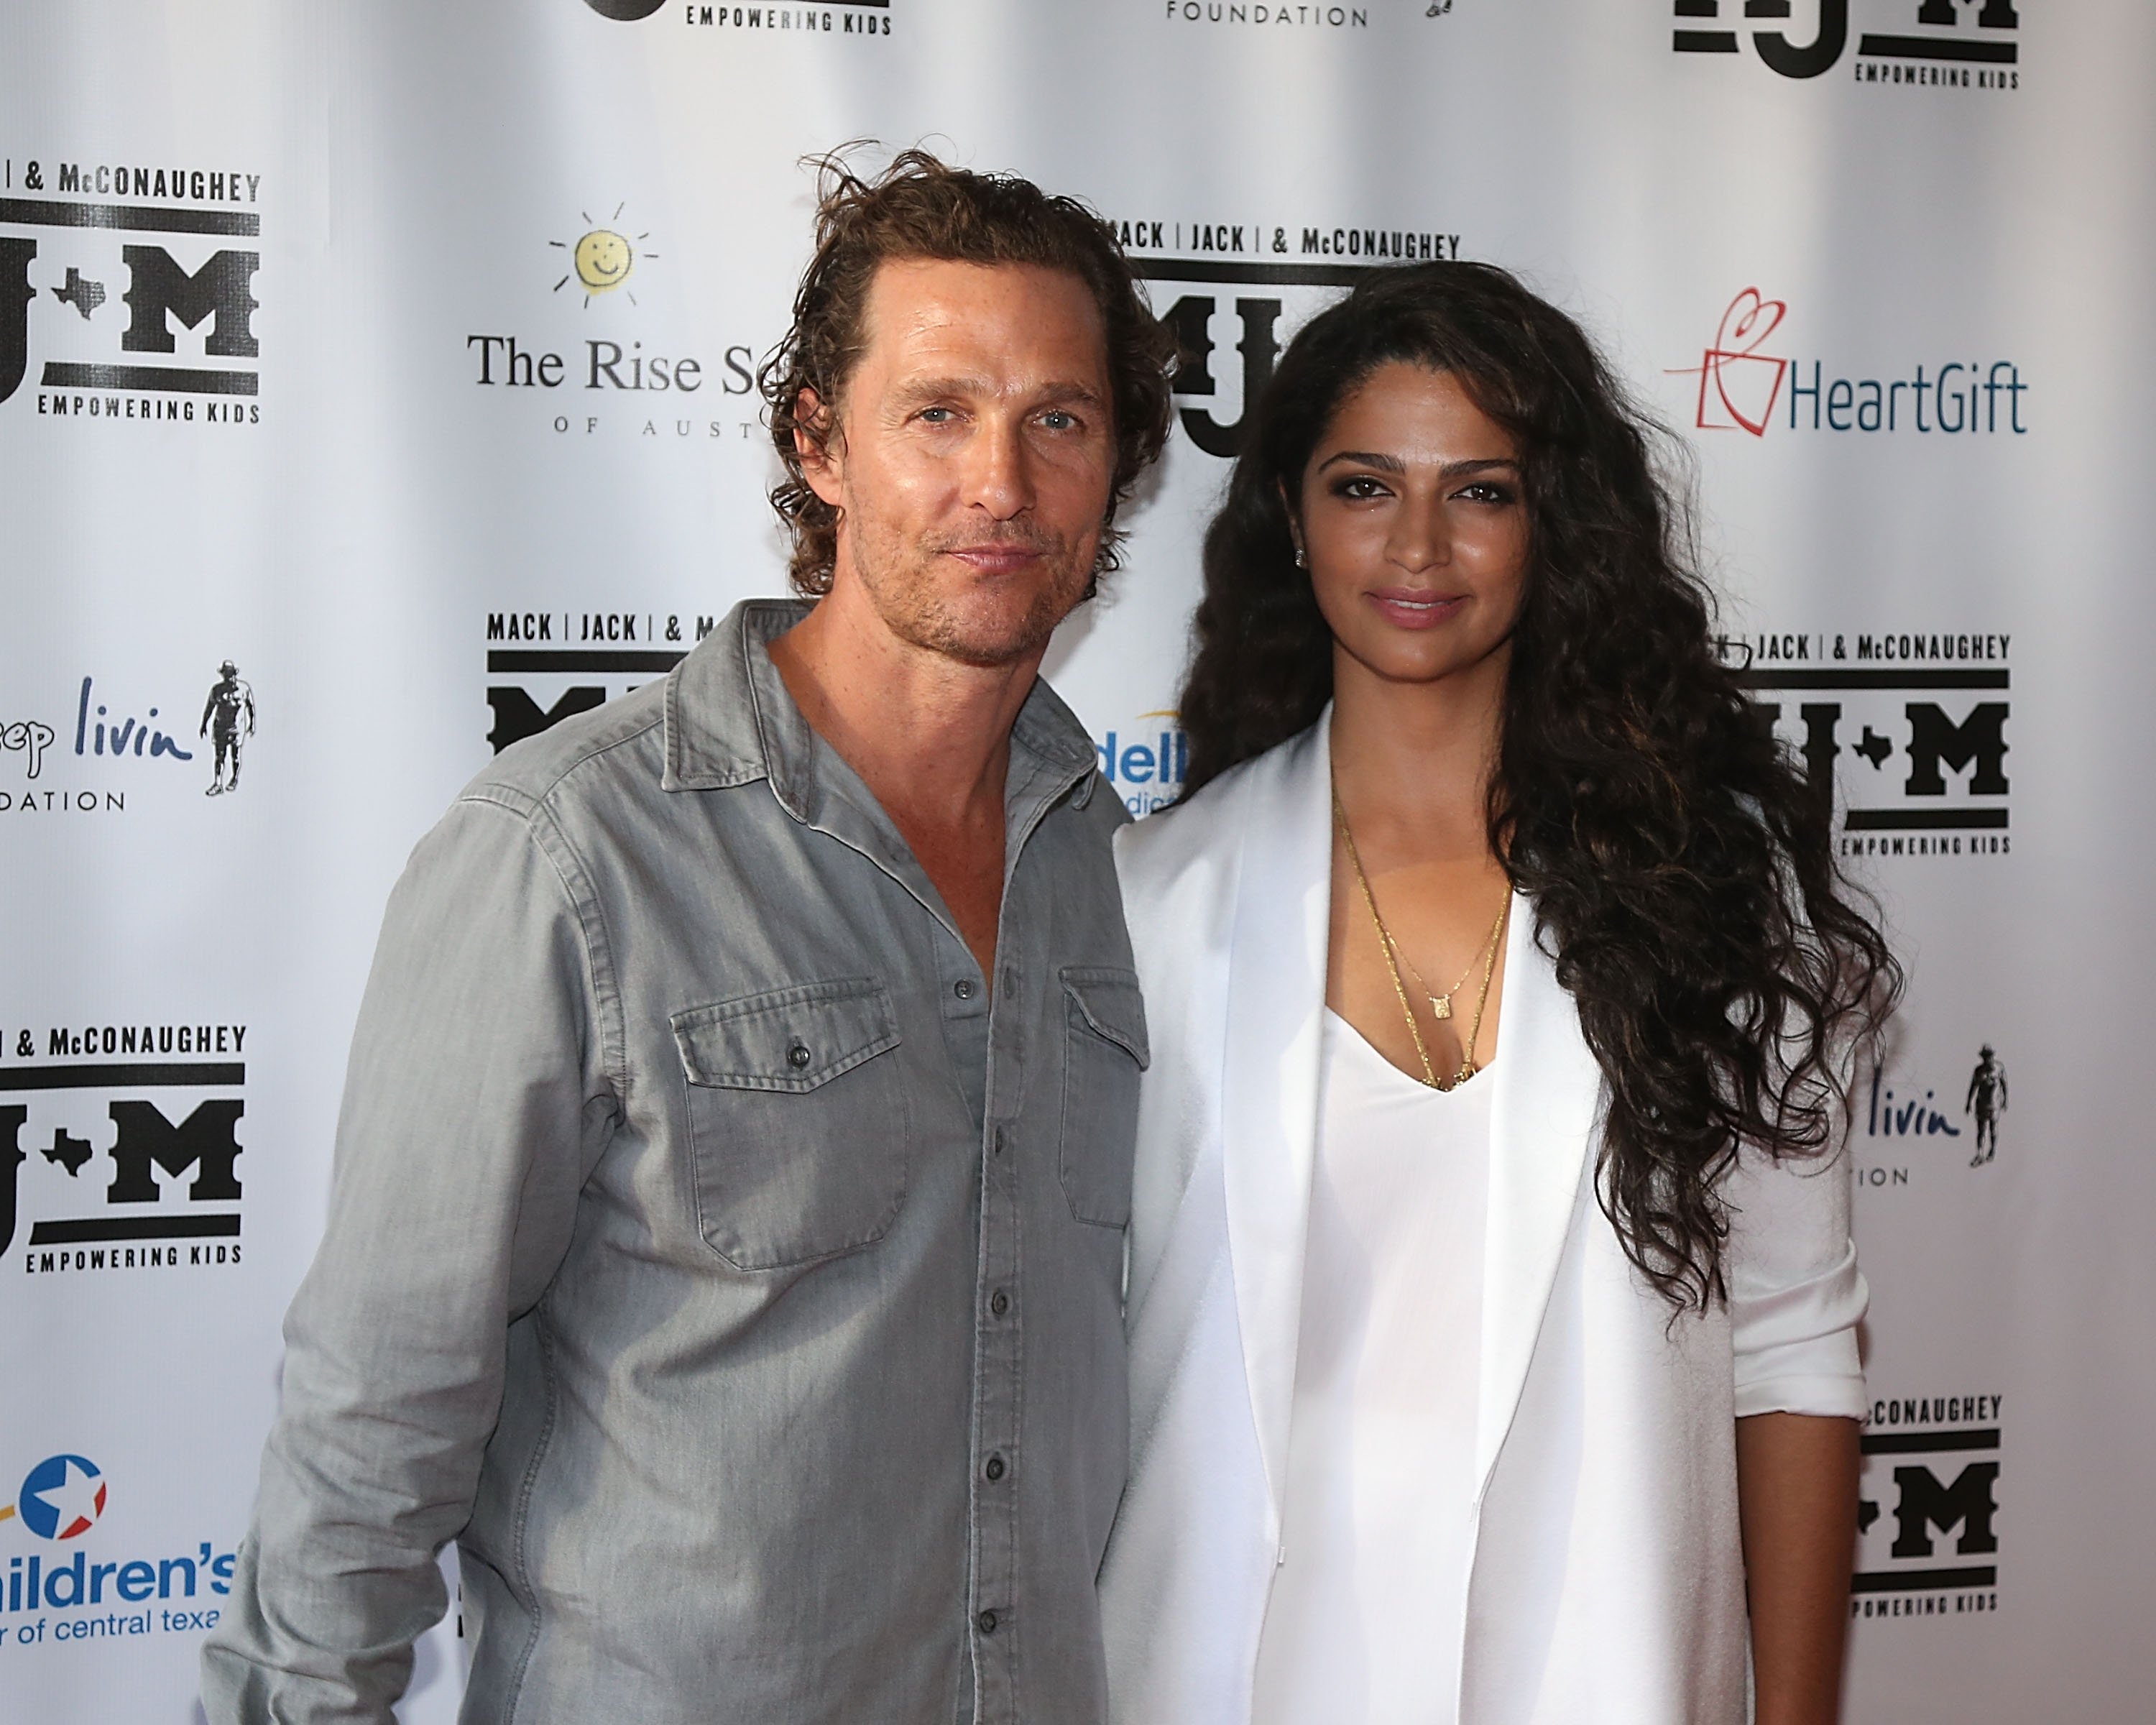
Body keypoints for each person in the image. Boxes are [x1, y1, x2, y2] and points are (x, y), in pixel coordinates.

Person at [202, 150, 1172, 1724]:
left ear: (1118, 467)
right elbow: (370, 1444)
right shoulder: (569, 853)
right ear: (820, 441)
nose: (1000, 481)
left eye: (1058, 418)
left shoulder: (1131, 880)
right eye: (937, 412)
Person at [1098, 262, 1899, 1725]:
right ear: (1292, 513)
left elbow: (1790, 1348)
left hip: (1605, 1679)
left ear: (1553, 525)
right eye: (1362, 486)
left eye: (1479, 491)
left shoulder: (1711, 903)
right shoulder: (1151, 909)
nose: (1419, 543)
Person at [200, 658, 254, 795]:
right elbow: (209, 708)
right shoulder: (217, 690)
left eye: (230, 674)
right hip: (220, 727)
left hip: (236, 728)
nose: (228, 677)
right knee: (220, 756)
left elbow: (250, 707)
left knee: (235, 756)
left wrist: (252, 723)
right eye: (226, 674)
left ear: (234, 674)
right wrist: (204, 724)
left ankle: (234, 778)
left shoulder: (244, 689)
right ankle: (218, 784)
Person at [1966, 1043, 2007, 1165]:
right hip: (1981, 1104)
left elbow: (2004, 1085)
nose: (1987, 1059)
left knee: (1993, 1129)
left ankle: (1992, 1151)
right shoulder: (1978, 1070)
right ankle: (1979, 1153)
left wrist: (2005, 1100)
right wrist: (1969, 1102)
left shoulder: (1999, 1068)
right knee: (1981, 1130)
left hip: (1994, 1104)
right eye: (1985, 1057)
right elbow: (1973, 1087)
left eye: (1989, 1056)